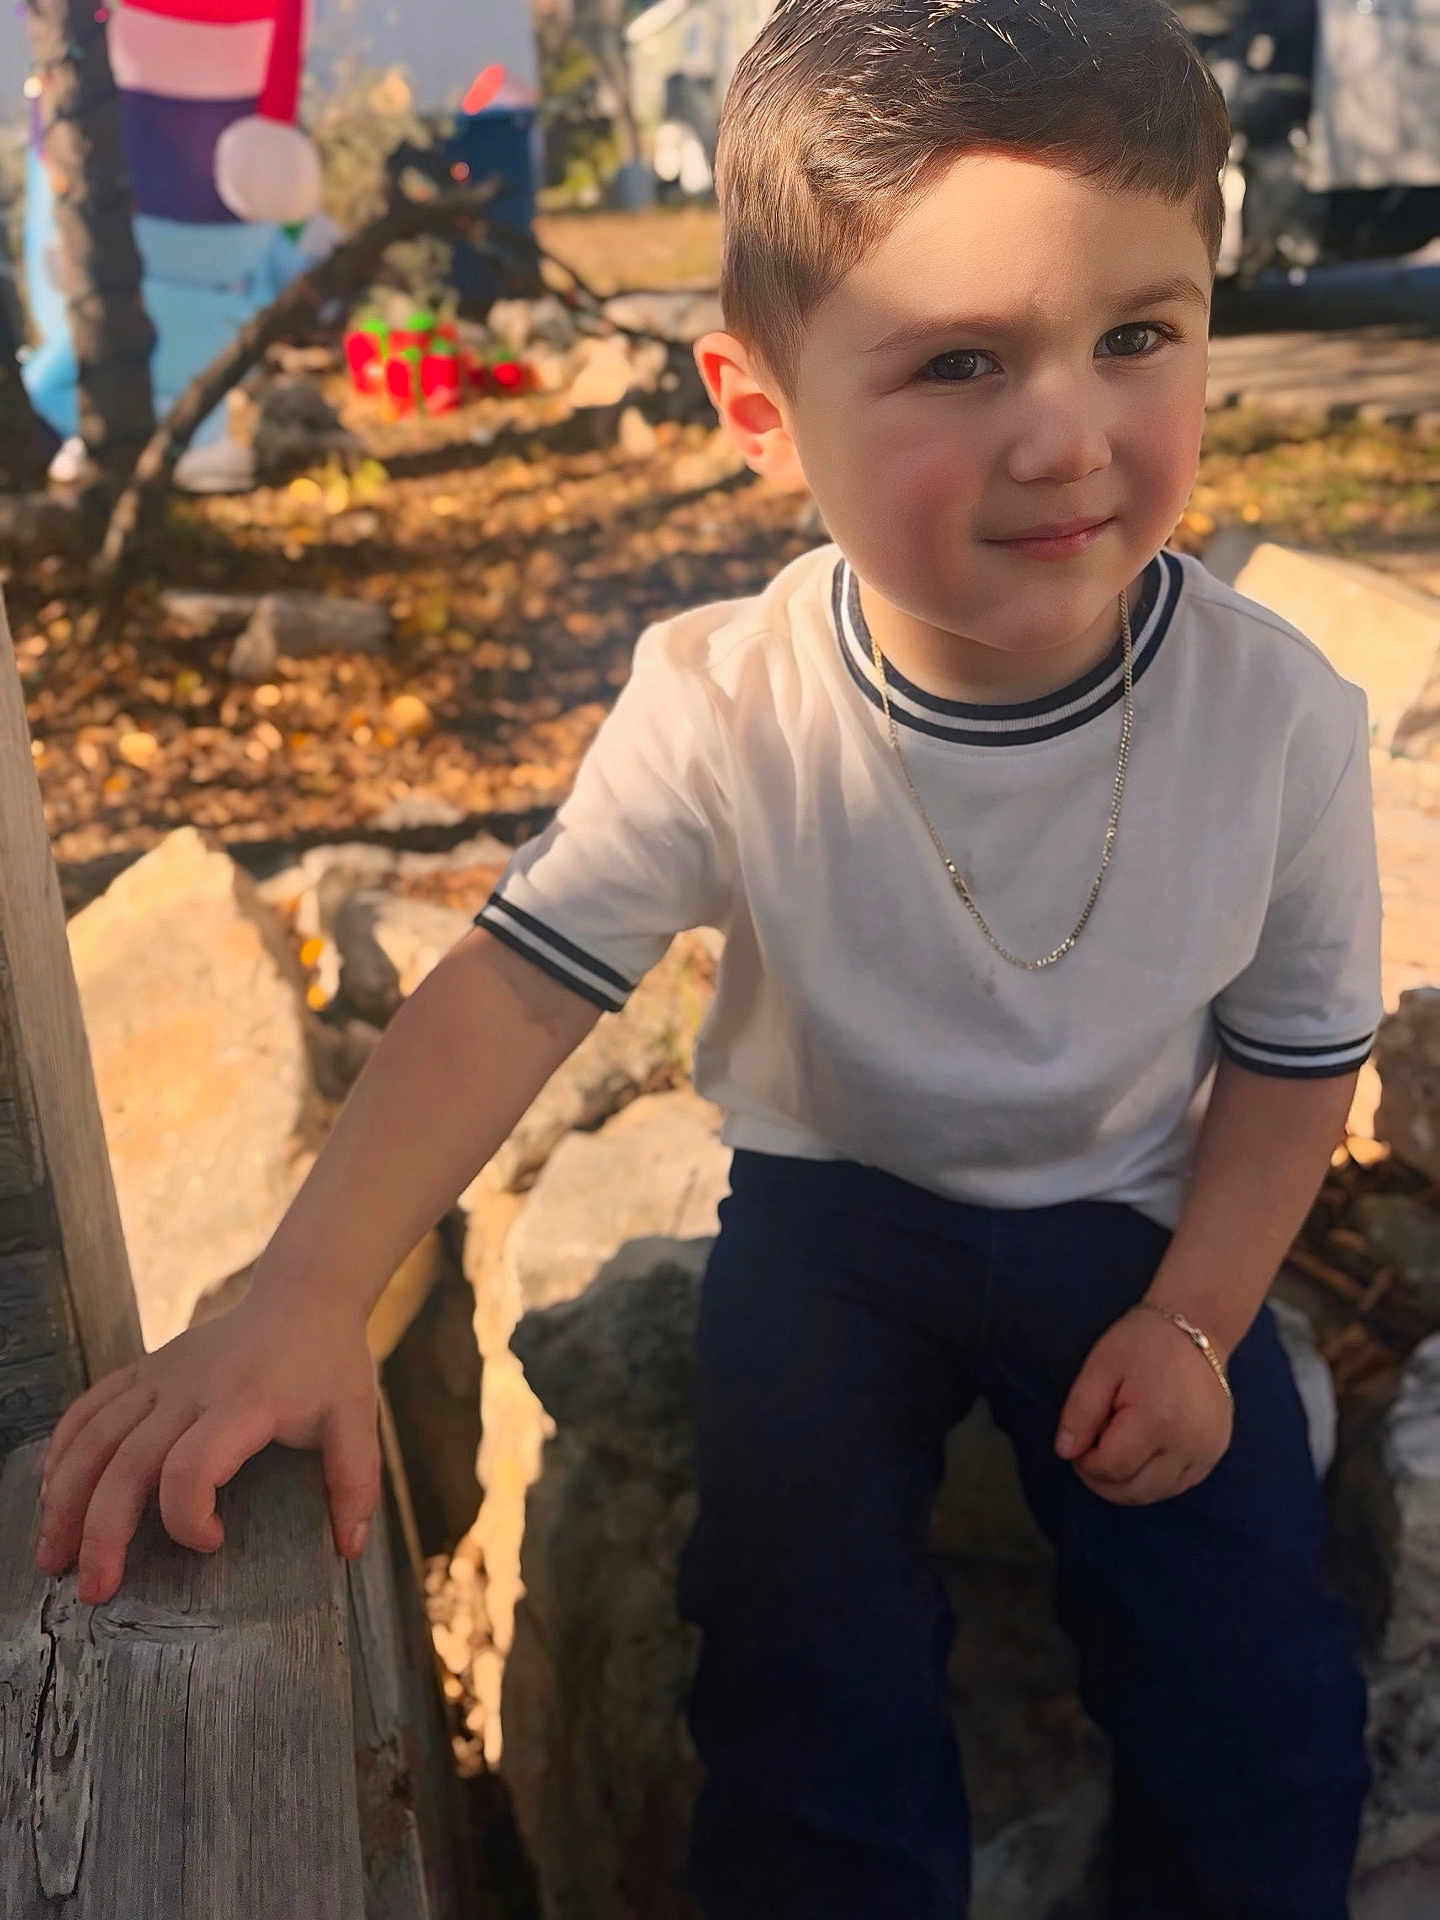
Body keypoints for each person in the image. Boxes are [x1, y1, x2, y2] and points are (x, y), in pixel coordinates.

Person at [34, 1, 1381, 1912]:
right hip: (834, 1219)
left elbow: (1294, 1056)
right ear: (761, 411)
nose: (1070, 433)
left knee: (1251, 1682)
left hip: (1137, 1212)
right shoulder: (725, 704)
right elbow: (513, 980)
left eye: (1137, 335)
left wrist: (1198, 1316)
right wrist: (308, 1289)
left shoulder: (1284, 722)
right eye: (961, 362)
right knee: (793, 1640)